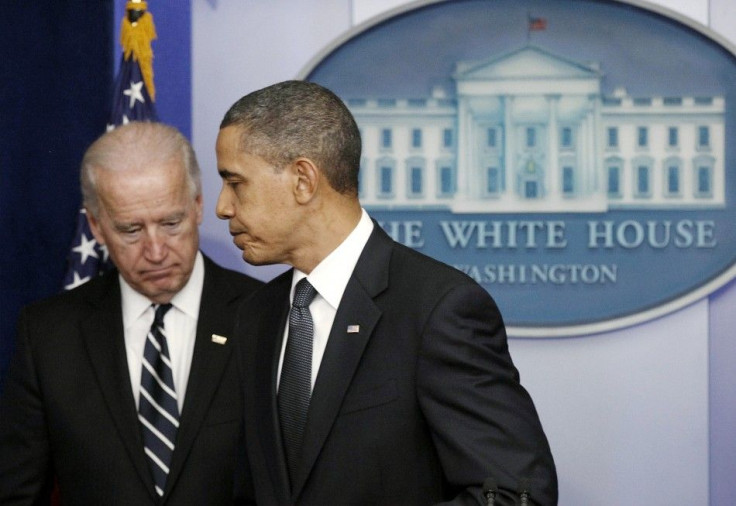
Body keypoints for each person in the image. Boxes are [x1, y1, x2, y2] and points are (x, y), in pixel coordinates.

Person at [216, 80, 558, 505]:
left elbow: (516, 493)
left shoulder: (437, 309)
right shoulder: (256, 315)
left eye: (235, 183)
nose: (222, 207)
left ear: (303, 180)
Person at [0, 121, 263, 505]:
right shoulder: (48, 335)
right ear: (96, 226)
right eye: (131, 230)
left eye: (171, 223)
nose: (156, 251)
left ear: (198, 206)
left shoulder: (264, 316)